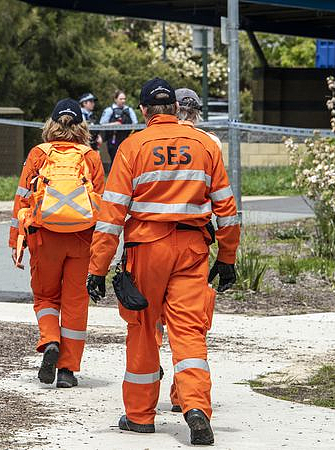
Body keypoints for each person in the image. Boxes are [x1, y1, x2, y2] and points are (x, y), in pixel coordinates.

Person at [86, 78, 240, 446]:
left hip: (147, 250)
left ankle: (140, 417)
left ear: (143, 111)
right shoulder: (205, 145)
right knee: (189, 332)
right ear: (173, 107)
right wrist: (228, 257)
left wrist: (97, 268)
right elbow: (227, 210)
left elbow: (111, 216)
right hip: (193, 251)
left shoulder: (132, 146)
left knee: (143, 328)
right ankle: (196, 407)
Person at [9, 98, 105, 389]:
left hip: (44, 237)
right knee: (76, 304)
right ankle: (67, 370)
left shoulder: (38, 154)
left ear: (51, 124)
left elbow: (22, 199)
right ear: (81, 127)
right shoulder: (91, 157)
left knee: (45, 297)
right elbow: (101, 204)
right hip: (82, 239)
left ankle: (50, 340)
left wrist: (16, 241)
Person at [99, 90, 138, 163]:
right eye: (121, 99)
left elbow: (135, 123)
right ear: (115, 99)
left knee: (126, 161)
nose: (123, 101)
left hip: (126, 139)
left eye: (124, 99)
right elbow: (102, 124)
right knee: (115, 161)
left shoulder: (129, 110)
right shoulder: (109, 110)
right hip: (113, 140)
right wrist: (114, 124)